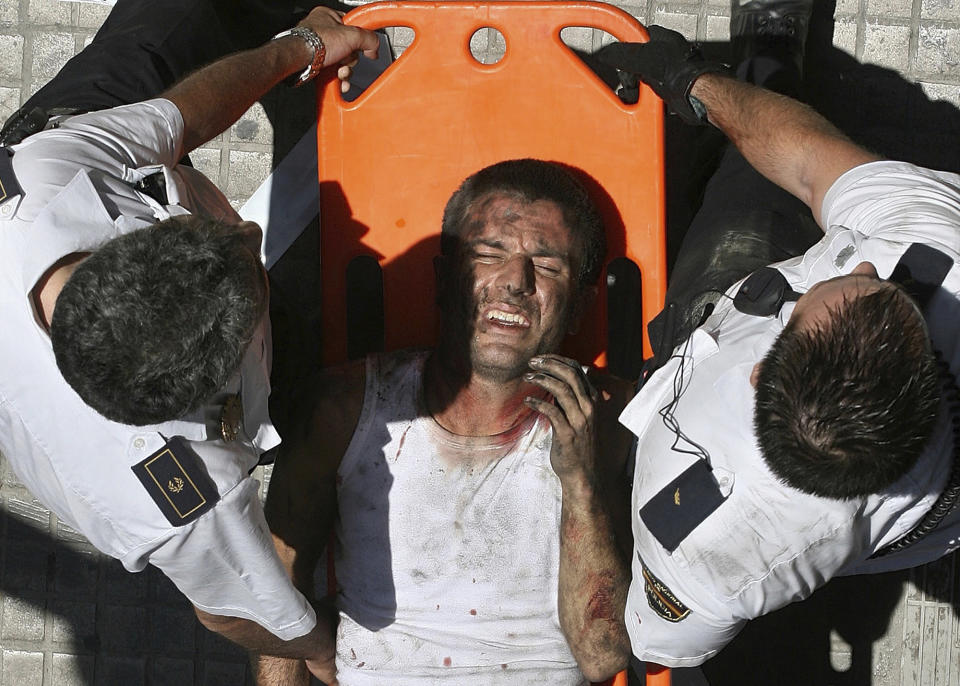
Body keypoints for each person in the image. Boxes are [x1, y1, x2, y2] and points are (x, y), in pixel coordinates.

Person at [0, 0, 379, 668]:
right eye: (248, 272)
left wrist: (302, 46)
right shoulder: (176, 495)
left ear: (114, 249)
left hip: (79, 146)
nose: (248, 229)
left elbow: (177, 120)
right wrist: (330, 653)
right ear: (209, 393)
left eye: (209, 233)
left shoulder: (48, 172)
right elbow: (231, 612)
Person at [597, 0, 960, 668]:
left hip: (706, 342)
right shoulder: (937, 243)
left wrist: (698, 82)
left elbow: (657, 642)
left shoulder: (709, 561)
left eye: (864, 282)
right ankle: (768, 61)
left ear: (760, 366)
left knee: (744, 212)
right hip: (922, 519)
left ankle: (765, 66)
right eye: (886, 290)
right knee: (759, 179)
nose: (867, 261)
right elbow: (811, 163)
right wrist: (693, 86)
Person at [258, 159, 634, 684]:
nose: (515, 282)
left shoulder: (610, 421)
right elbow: (277, 591)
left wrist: (579, 479)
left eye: (547, 266)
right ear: (443, 279)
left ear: (577, 308)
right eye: (488, 254)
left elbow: (601, 655)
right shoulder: (345, 410)